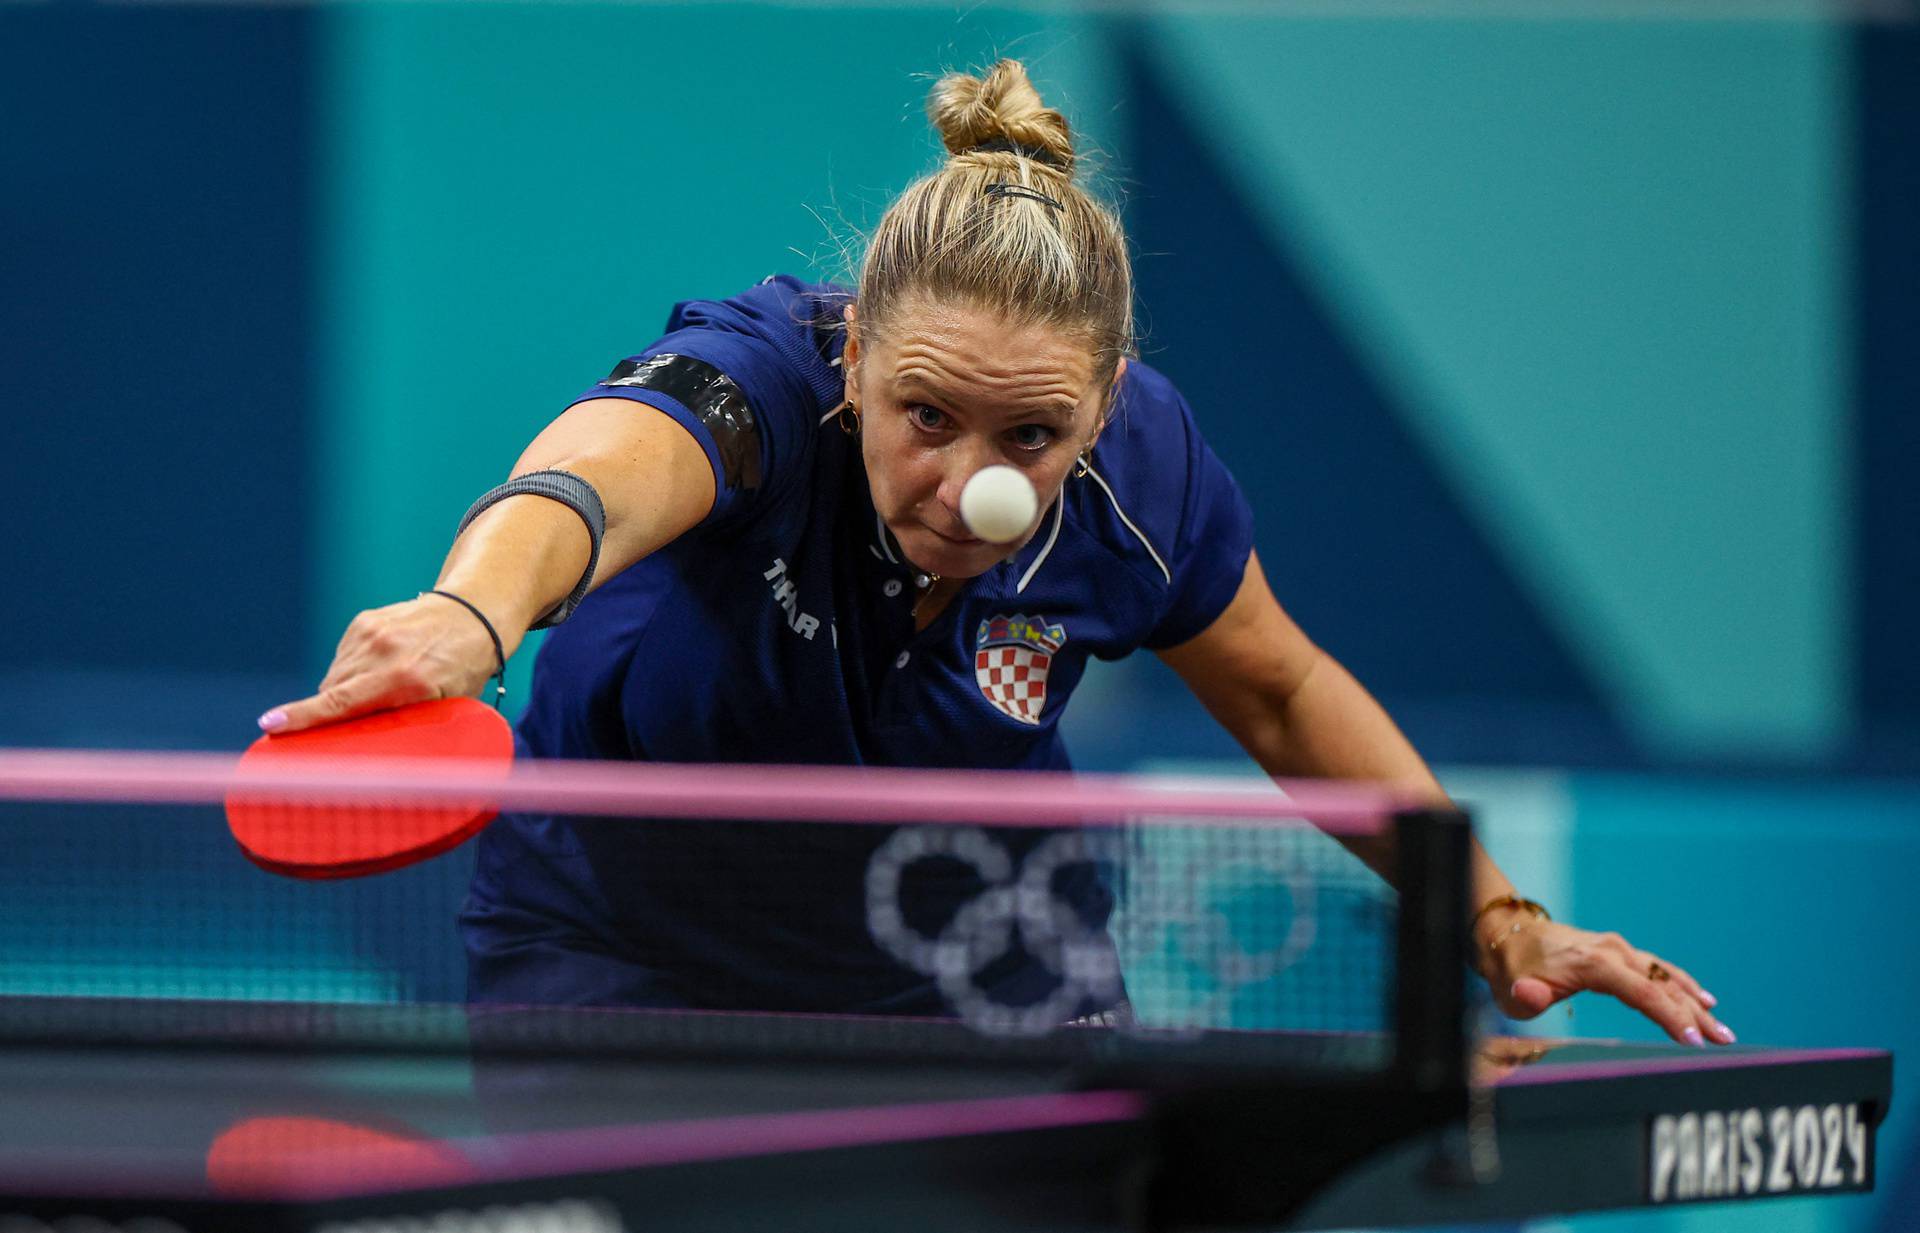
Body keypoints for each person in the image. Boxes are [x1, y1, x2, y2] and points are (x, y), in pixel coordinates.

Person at [263, 61, 1730, 1046]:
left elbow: (1282, 695)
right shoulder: (768, 379)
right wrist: (475, 607)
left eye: (1031, 435)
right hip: (625, 956)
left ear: (1102, 408)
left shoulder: (1141, 479)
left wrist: (1491, 915)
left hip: (976, 954)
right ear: (855, 358)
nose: (974, 488)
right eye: (927, 416)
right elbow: (599, 469)